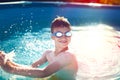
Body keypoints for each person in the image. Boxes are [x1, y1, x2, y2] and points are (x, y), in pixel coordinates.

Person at [0, 16, 78, 80]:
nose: (64, 37)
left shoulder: (68, 56)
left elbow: (44, 73)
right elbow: (31, 67)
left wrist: (10, 69)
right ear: (52, 36)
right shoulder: (48, 53)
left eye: (67, 33)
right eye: (59, 34)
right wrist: (9, 63)